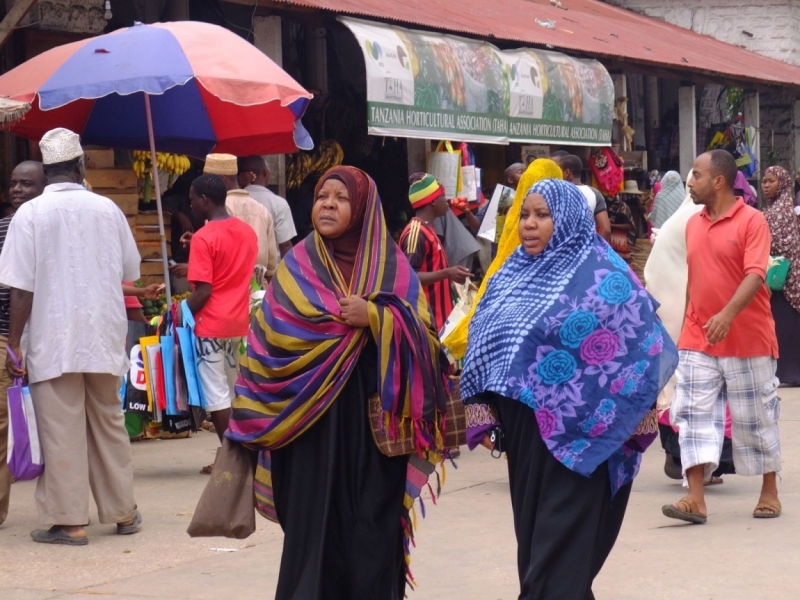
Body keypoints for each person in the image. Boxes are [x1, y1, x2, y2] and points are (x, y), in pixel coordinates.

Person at [226, 165, 448, 599]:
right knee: (312, 534)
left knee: (371, 532)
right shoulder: (296, 266)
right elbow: (265, 343)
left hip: (372, 431)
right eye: (321, 196)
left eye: (340, 198)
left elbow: (428, 345)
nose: (327, 204)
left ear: (363, 208)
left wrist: (376, 317)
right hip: (306, 431)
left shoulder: (391, 266)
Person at [460, 178, 677, 599]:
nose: (530, 224)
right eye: (525, 214)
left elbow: (644, 346)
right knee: (537, 548)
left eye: (543, 215)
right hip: (526, 438)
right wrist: (480, 408)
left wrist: (639, 414)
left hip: (589, 440)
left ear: (569, 219)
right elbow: (482, 344)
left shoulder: (606, 275)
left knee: (556, 559)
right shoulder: (508, 274)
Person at [0, 128, 142, 544]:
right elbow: (128, 271)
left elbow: (20, 289)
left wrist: (13, 343)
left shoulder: (30, 215)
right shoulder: (108, 210)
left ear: (46, 171)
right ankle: (122, 511)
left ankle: (70, 521)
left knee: (60, 427)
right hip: (103, 335)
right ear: (81, 166)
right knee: (108, 423)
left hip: (53, 338)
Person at [663, 150, 782, 524]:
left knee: (756, 417)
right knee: (693, 414)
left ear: (719, 181)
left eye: (697, 175)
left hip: (748, 336)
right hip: (698, 338)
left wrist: (728, 315)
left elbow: (756, 275)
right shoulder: (693, 224)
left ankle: (769, 491)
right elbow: (693, 279)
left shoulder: (753, 221)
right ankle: (695, 498)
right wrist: (685, 327)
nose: (690, 181)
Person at [644, 173, 736, 481]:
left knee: (682, 386)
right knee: (695, 389)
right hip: (685, 317)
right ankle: (695, 465)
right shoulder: (696, 219)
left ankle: (688, 461)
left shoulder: (681, 217)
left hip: (675, 313)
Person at [443, 158, 563, 361]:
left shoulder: (562, 206)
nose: (524, 174)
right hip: (505, 265)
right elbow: (487, 231)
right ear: (510, 179)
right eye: (520, 171)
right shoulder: (505, 201)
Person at [184, 174, 257, 473]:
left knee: (216, 397)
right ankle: (240, 454)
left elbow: (204, 290)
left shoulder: (204, 237)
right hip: (238, 322)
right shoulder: (247, 231)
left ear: (205, 200)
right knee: (233, 391)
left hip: (210, 324)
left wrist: (178, 311)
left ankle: (231, 460)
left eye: (192, 200)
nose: (190, 205)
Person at [0, 160, 46, 525]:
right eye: (14, 183)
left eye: (26, 184)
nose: (17, 190)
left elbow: (23, 289)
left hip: (32, 338)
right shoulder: (3, 227)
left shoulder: (40, 227)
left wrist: (16, 344)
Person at [170, 154, 277, 284]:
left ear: (222, 179)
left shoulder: (216, 211)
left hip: (230, 291)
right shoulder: (262, 211)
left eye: (206, 180)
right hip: (258, 294)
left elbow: (220, 261)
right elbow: (271, 268)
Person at [399, 174, 471, 334]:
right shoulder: (415, 233)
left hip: (441, 322)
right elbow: (410, 277)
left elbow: (432, 269)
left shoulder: (429, 228)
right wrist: (447, 273)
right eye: (443, 196)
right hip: (428, 325)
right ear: (432, 201)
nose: (447, 200)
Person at [762, 165, 800, 386]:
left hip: (784, 278)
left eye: (771, 181)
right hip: (786, 276)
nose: (766, 185)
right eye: (764, 182)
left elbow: (780, 245)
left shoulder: (780, 211)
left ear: (782, 183)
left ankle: (789, 374)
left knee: (784, 324)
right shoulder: (780, 207)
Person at [237, 155, 297, 257]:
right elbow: (285, 245)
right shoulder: (278, 203)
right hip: (269, 269)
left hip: (237, 267)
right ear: (265, 173)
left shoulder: (229, 201)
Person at [553, 154, 612, 240]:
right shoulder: (595, 193)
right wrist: (595, 249)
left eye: (559, 171)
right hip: (586, 248)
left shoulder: (557, 192)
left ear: (567, 173)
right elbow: (606, 230)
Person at [606, 194, 636, 263]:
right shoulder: (605, 205)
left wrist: (612, 225)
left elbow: (629, 226)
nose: (610, 197)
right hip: (608, 238)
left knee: (621, 262)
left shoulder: (623, 207)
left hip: (620, 240)